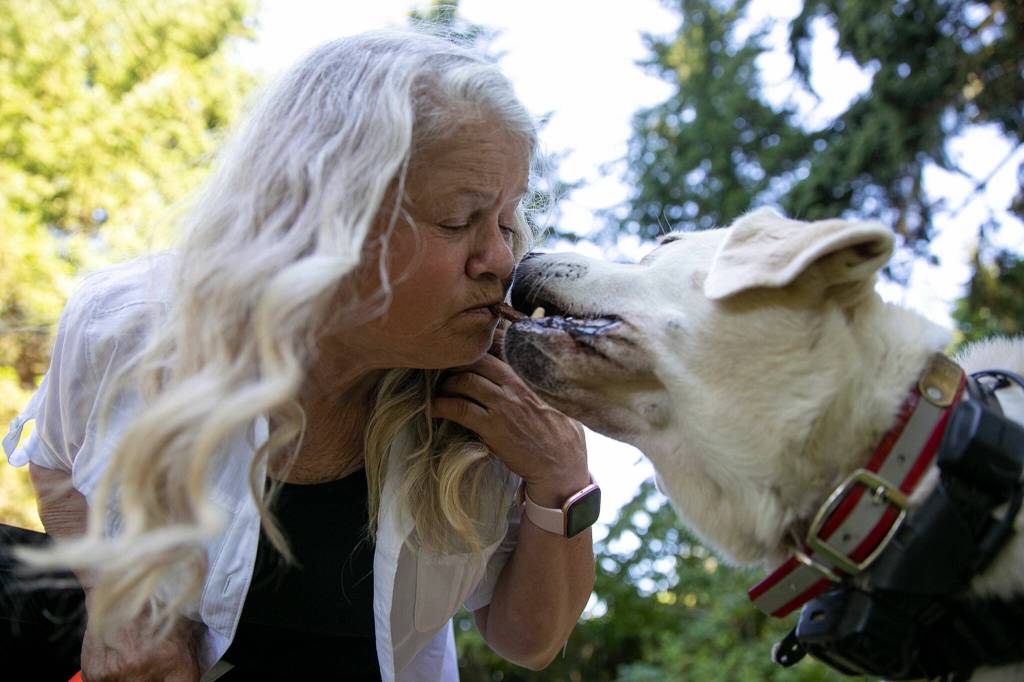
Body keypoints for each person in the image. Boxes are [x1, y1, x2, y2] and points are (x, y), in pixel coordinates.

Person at [0, 28, 597, 681]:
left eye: (507, 221)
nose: (503, 261)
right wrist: (118, 604)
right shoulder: (128, 326)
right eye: (459, 221)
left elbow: (529, 641)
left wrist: (562, 481)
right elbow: (55, 468)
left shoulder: (498, 410)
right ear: (327, 217)